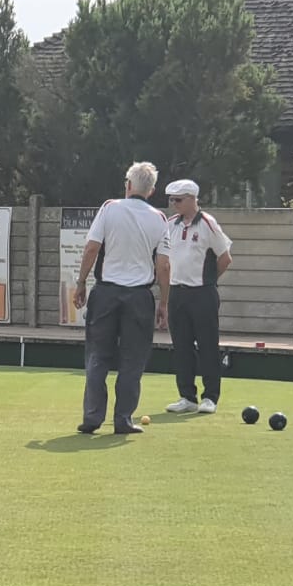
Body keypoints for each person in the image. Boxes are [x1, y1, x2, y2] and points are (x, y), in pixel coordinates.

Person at [71, 162, 173, 435]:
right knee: (133, 359)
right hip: (139, 296)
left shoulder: (109, 208)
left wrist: (81, 282)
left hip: (105, 293)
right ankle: (123, 419)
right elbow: (163, 266)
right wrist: (164, 302)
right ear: (151, 191)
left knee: (97, 356)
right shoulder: (159, 219)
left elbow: (92, 248)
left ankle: (92, 417)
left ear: (128, 185)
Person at [161, 179, 233, 415]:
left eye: (178, 200)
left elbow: (224, 258)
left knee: (207, 345)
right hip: (177, 293)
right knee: (181, 346)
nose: (174, 204)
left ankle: (210, 396)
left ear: (193, 199)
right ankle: (187, 396)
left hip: (202, 293)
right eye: (171, 200)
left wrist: (208, 281)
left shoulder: (208, 224)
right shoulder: (171, 224)